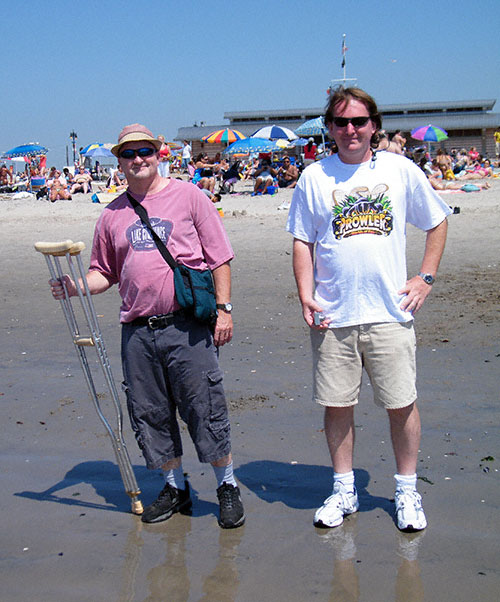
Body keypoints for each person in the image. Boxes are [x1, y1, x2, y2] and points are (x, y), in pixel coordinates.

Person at [49, 124, 245, 529]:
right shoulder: (111, 214)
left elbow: (219, 256)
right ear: (119, 161)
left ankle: (227, 486)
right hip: (137, 331)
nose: (138, 159)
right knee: (150, 414)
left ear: (159, 154)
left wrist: (224, 310)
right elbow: (104, 274)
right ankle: (175, 487)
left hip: (187, 325)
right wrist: (73, 288)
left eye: (145, 151)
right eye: (129, 153)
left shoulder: (189, 196)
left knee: (204, 408)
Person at [286, 86, 452, 532]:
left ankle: (406, 490)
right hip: (333, 314)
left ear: (374, 125)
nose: (350, 130)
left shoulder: (399, 170)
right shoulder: (314, 177)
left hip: (390, 312)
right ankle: (343, 490)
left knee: (402, 403)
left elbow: (437, 221)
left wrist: (425, 278)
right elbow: (302, 241)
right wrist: (306, 293)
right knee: (337, 405)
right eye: (341, 123)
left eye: (359, 121)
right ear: (330, 129)